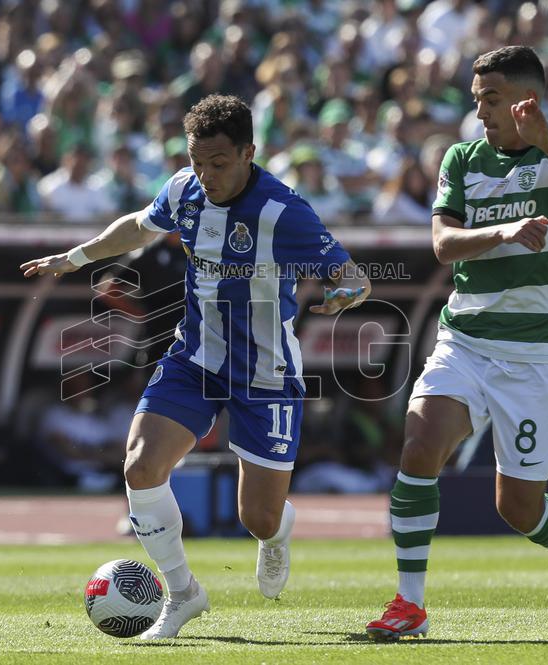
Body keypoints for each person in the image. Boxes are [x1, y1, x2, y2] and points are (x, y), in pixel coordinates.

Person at [21, 94, 370, 639]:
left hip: (264, 370)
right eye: (197, 160)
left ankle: (276, 531)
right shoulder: (185, 189)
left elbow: (353, 275)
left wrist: (345, 294)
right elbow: (139, 226)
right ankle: (183, 593)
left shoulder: (283, 210)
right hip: (194, 358)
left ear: (249, 152)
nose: (205, 174)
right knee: (139, 466)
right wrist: (75, 257)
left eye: (219, 163)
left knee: (256, 516)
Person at [365, 46, 548, 640]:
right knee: (420, 443)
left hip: (538, 358)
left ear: (528, 100)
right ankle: (410, 603)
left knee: (517, 509)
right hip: (466, 339)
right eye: (478, 101)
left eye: (492, 100)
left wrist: (546, 140)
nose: (481, 113)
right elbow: (443, 244)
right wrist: (504, 231)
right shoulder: (462, 158)